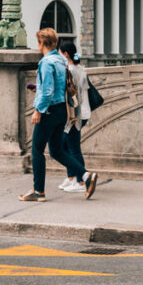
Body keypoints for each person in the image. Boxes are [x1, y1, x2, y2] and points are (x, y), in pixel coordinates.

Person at [20, 27, 98, 202]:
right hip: (62, 110)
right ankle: (86, 176)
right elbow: (57, 87)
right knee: (56, 150)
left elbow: (47, 91)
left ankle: (38, 191)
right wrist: (38, 89)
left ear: (41, 43)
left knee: (37, 150)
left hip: (49, 111)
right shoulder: (61, 61)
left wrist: (38, 110)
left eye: (38, 43)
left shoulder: (46, 62)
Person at [58, 40, 91, 193]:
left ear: (65, 54)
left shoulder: (70, 70)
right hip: (83, 112)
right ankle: (72, 177)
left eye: (60, 54)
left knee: (72, 147)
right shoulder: (80, 68)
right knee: (66, 145)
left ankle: (81, 181)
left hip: (75, 114)